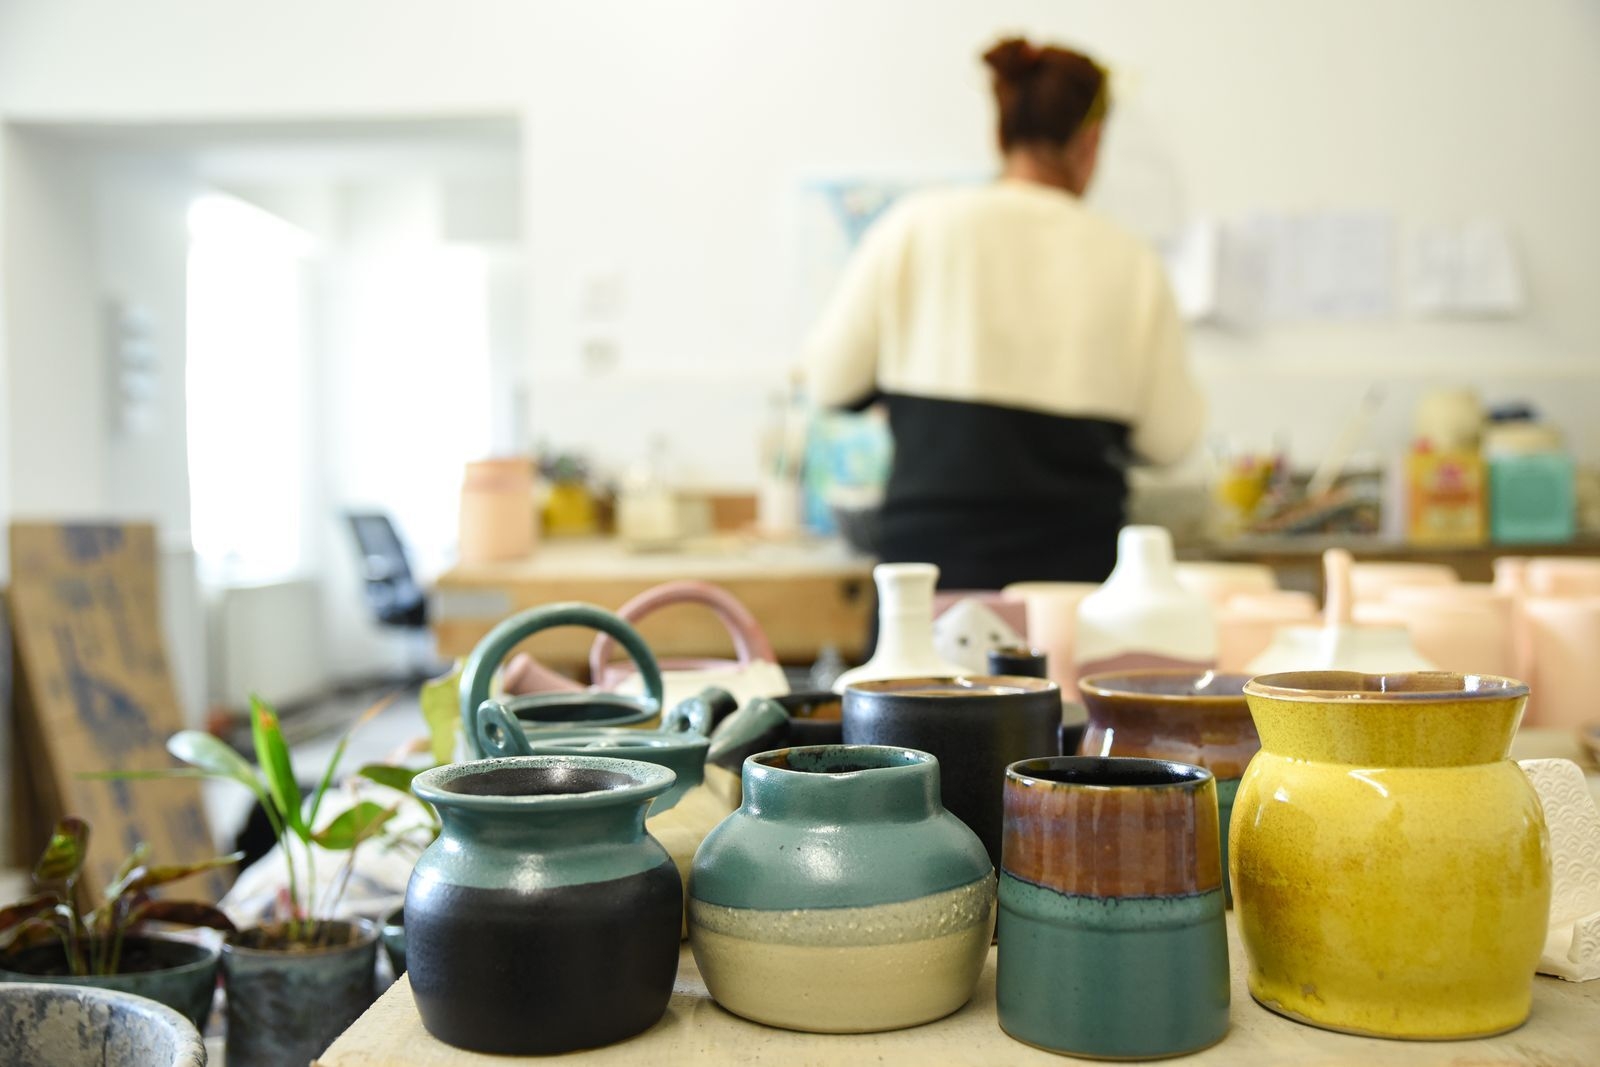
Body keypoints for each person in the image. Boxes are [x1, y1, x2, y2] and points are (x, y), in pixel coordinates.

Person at [801, 36, 1204, 588]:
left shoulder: (915, 228)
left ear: (999, 133)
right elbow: (1171, 441)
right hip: (1073, 590)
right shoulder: (1132, 262)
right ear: (1091, 142)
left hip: (931, 586)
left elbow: (828, 382)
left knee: (917, 650)